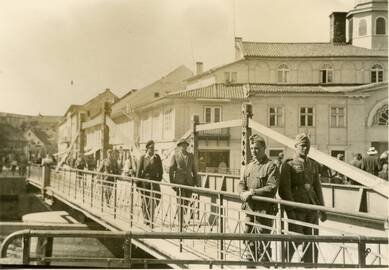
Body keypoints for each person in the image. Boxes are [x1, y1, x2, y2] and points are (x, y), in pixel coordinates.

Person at [279, 133, 327, 263]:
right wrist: (291, 210)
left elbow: (318, 188)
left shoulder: (313, 165)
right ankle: (284, 263)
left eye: (307, 146)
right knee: (295, 239)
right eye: (303, 146)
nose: (305, 149)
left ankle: (309, 265)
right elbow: (284, 190)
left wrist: (322, 209)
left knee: (312, 240)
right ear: (296, 146)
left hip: (311, 206)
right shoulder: (288, 165)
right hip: (297, 208)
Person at [238, 134, 280, 263]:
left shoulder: (271, 166)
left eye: (256, 148)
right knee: (248, 236)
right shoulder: (249, 166)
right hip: (250, 208)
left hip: (264, 210)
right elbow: (241, 183)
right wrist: (242, 193)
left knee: (263, 240)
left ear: (264, 148)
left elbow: (271, 188)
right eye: (251, 148)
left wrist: (252, 192)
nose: (253, 151)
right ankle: (251, 262)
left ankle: (265, 264)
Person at [136, 140, 163, 226]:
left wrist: (158, 179)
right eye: (151, 148)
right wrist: (138, 183)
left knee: (156, 199)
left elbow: (161, 170)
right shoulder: (143, 158)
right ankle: (147, 219)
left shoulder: (157, 157)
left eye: (153, 148)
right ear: (147, 148)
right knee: (145, 201)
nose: (152, 149)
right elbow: (139, 172)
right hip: (145, 183)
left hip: (154, 183)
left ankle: (149, 217)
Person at [169, 139, 198, 218]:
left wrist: (196, 182)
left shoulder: (191, 156)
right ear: (179, 147)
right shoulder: (175, 156)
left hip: (189, 182)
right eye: (182, 145)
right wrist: (172, 183)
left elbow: (194, 169)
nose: (184, 147)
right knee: (180, 201)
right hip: (179, 182)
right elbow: (171, 170)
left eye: (185, 145)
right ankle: (181, 220)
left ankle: (182, 216)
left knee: (187, 201)